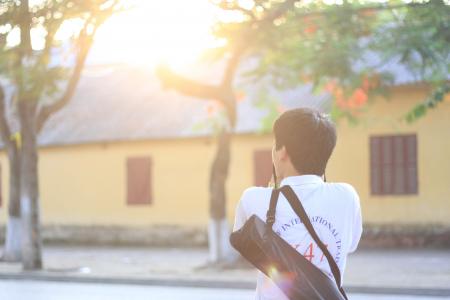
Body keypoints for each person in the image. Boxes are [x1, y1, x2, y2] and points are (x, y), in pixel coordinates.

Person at [233, 108, 363, 300]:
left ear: (282, 151)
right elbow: (350, 245)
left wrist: (274, 186)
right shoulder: (347, 196)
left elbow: (246, 244)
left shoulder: (253, 199)